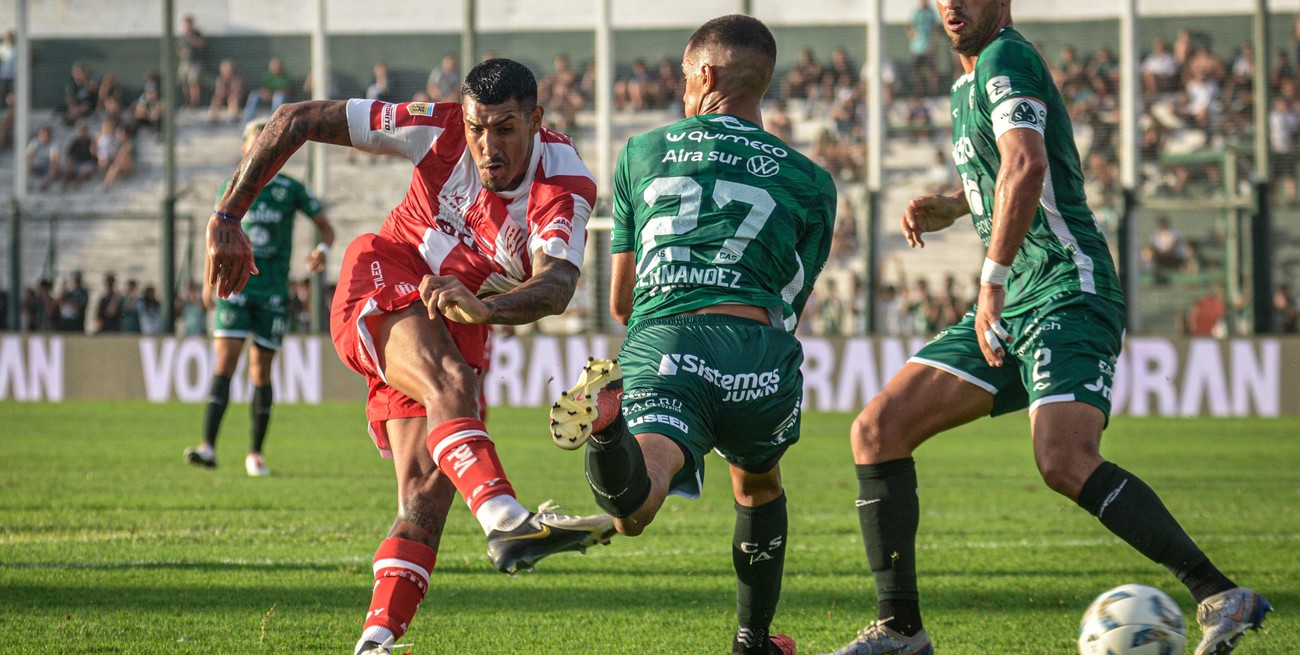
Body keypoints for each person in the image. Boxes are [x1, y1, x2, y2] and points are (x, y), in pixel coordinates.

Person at [821, 2, 1273, 654]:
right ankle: (901, 629)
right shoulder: (965, 85)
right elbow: (1005, 172)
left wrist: (990, 281)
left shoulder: (1008, 56)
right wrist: (952, 204)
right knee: (878, 429)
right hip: (1019, 296)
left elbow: (1027, 165)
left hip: (1067, 288)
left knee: (1062, 458)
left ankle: (1216, 590)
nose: (951, 4)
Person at [204, 57, 615, 655]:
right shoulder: (436, 127)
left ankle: (375, 640)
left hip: (460, 316)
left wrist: (486, 310)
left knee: (426, 491)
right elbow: (294, 119)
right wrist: (225, 216)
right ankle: (504, 517)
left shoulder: (564, 183)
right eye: (478, 128)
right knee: (454, 386)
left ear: (536, 121)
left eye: (504, 128)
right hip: (387, 271)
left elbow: (556, 286)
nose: (486, 145)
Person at [546, 15, 835, 655]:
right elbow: (791, 297)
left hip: (669, 337)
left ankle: (608, 429)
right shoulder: (813, 181)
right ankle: (751, 641)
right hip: (758, 353)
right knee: (758, 482)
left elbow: (621, 299)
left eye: (683, 78)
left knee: (635, 506)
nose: (681, 90)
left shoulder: (642, 152)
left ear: (704, 75)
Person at [183, 118, 337, 477]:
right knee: (225, 363)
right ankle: (208, 446)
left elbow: (326, 228)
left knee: (260, 371)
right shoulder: (232, 186)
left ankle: (255, 453)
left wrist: (322, 249)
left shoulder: (291, 188)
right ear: (244, 148)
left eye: (269, 144)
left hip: (273, 290)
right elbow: (216, 235)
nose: (262, 150)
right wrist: (209, 283)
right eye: (256, 143)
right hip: (236, 287)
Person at [242, 57, 293, 124]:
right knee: (254, 94)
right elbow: (263, 88)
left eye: (277, 66)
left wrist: (274, 95)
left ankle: (274, 121)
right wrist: (266, 94)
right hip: (267, 98)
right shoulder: (267, 76)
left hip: (280, 100)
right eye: (273, 66)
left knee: (279, 96)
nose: (275, 68)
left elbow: (287, 91)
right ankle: (246, 121)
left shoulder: (286, 77)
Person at [177, 14, 206, 109]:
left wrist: (192, 39)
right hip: (185, 63)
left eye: (188, 24)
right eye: (185, 24)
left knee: (194, 83)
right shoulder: (182, 36)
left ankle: (194, 104)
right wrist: (182, 52)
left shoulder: (197, 33)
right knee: (185, 84)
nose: (186, 26)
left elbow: (202, 44)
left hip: (195, 62)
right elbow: (179, 48)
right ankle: (188, 102)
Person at [209, 59, 245, 125]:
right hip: (224, 97)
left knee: (233, 99)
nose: (226, 72)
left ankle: (232, 118)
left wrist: (228, 92)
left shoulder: (237, 78)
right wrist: (223, 93)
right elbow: (219, 91)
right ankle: (213, 119)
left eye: (227, 70)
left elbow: (237, 91)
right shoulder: (220, 79)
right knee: (216, 99)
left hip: (236, 98)